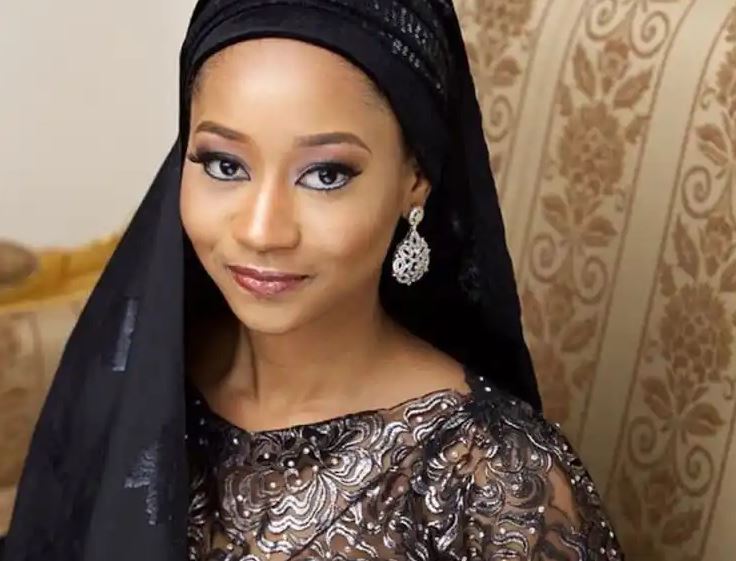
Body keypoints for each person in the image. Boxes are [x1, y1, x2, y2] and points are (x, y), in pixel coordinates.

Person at [4, 1, 624, 560]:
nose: (262, 230)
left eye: (325, 175)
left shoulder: (493, 484)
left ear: (416, 178)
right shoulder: (140, 380)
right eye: (224, 164)